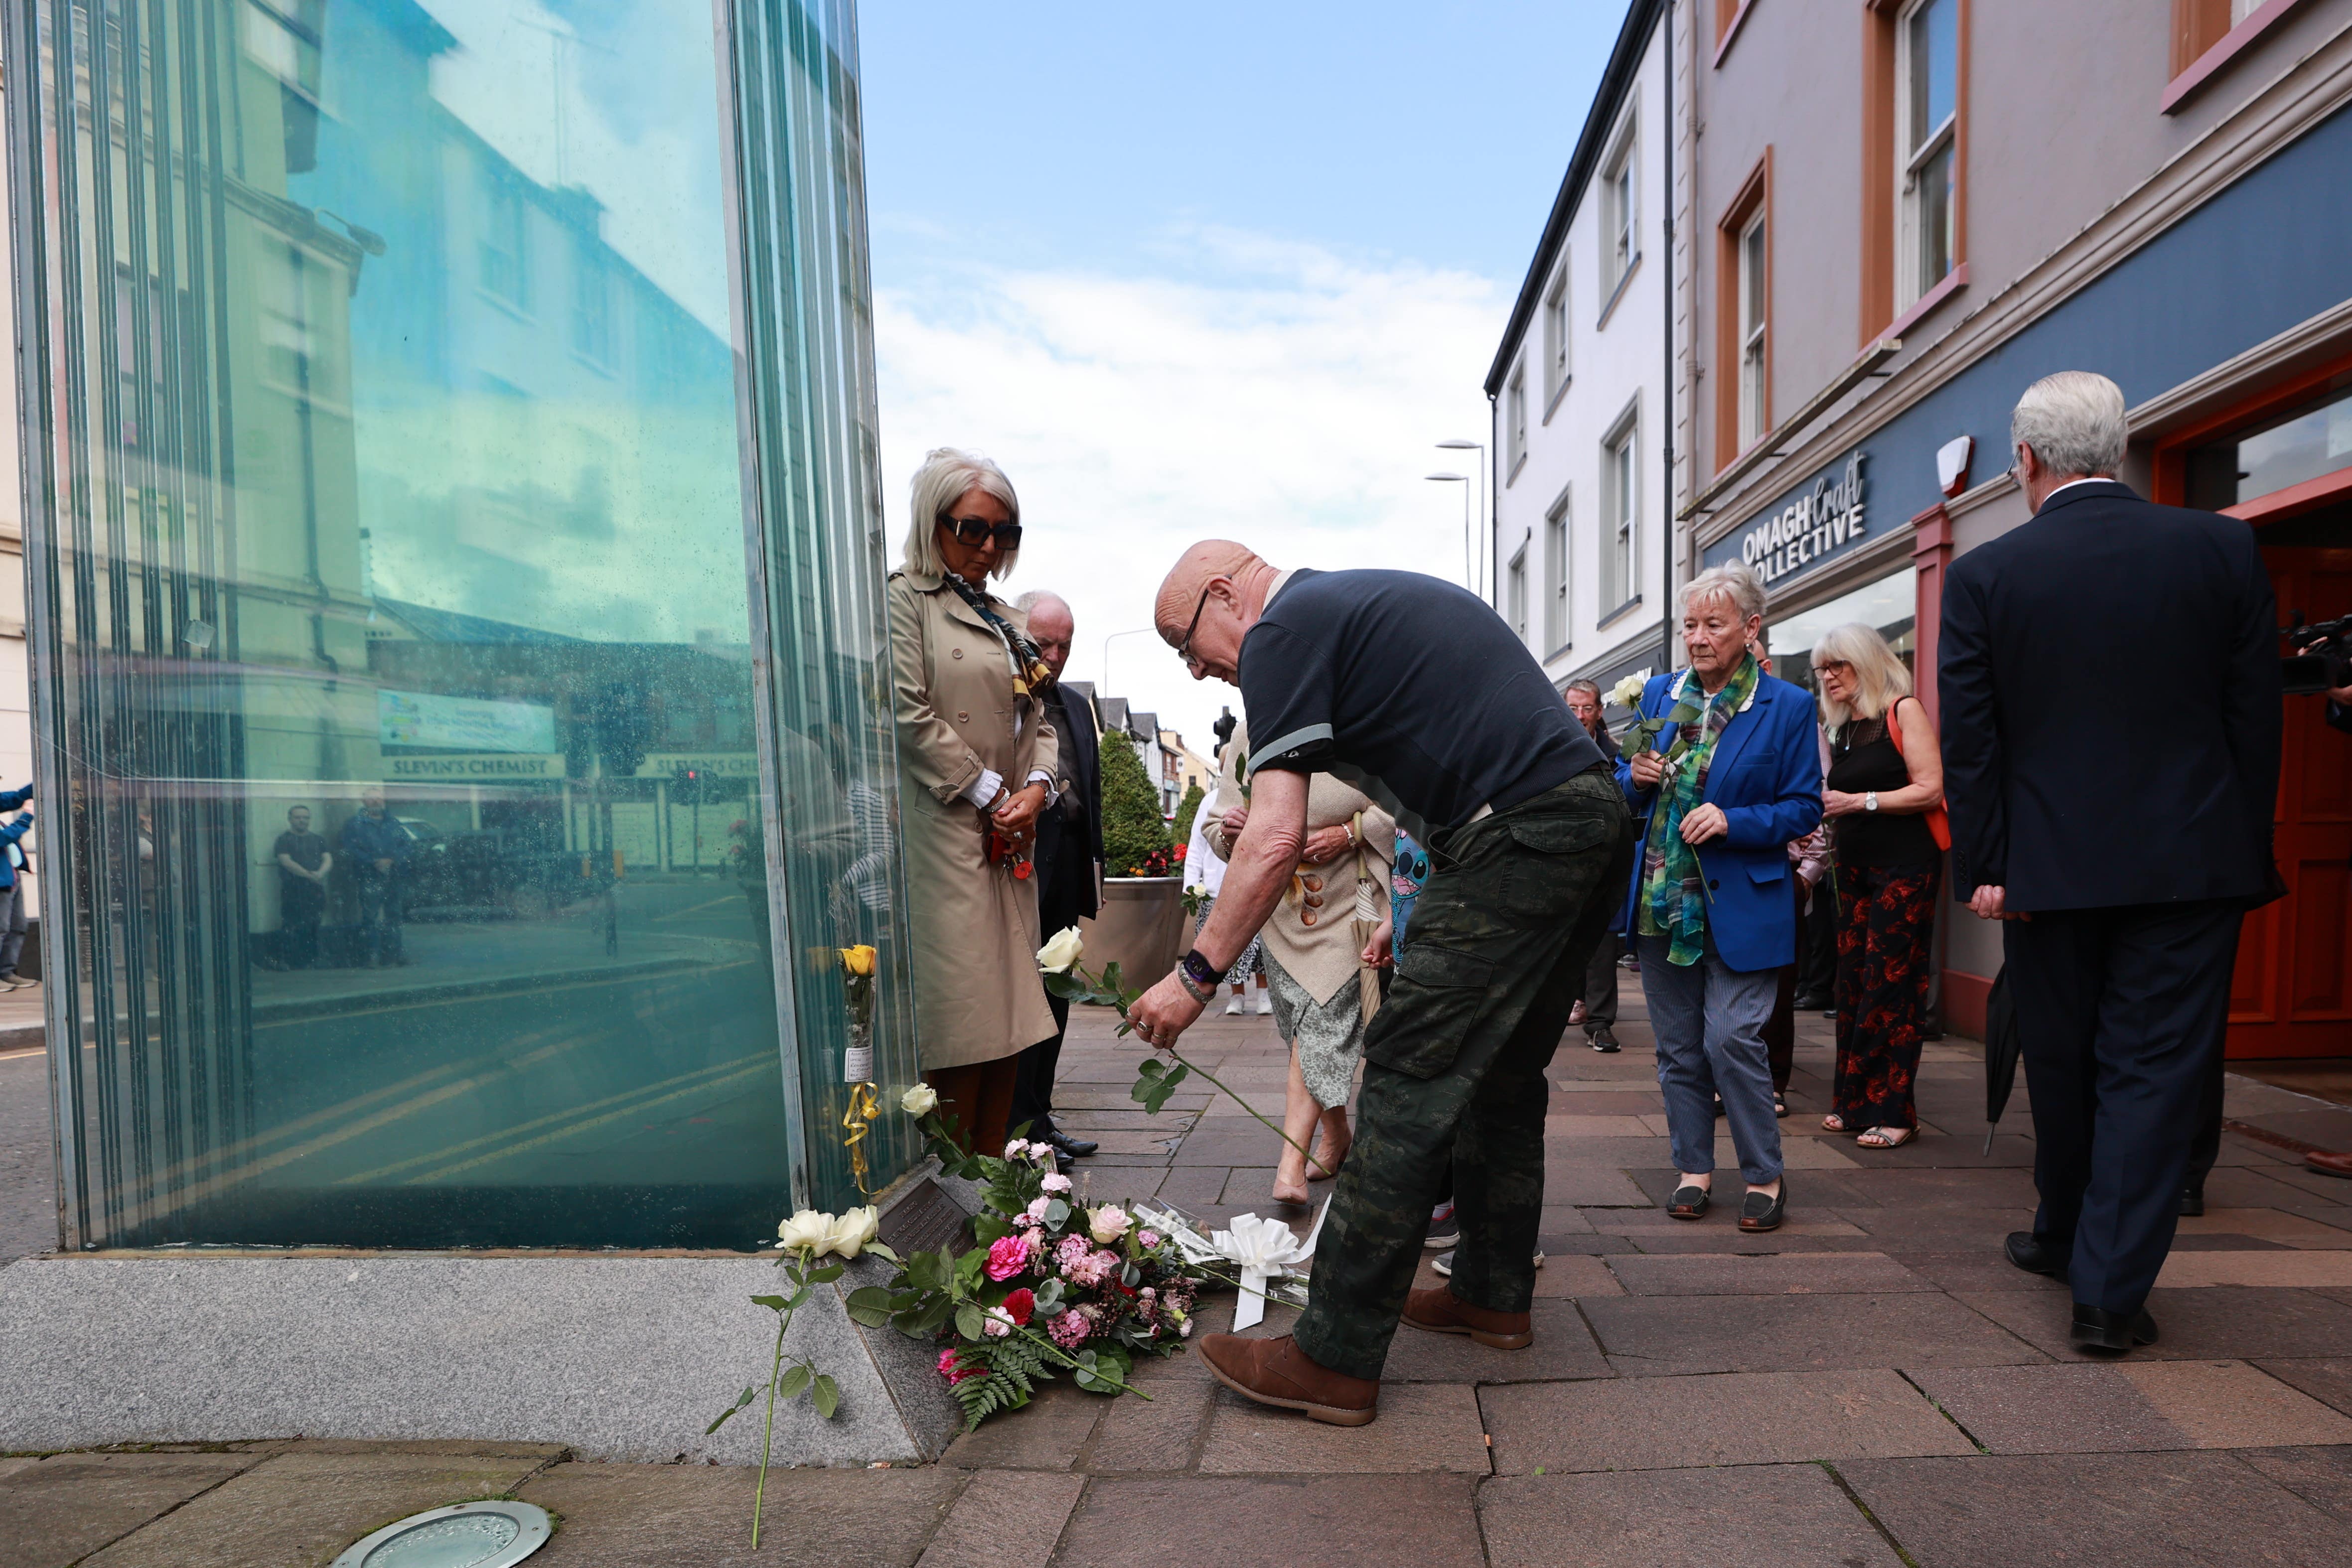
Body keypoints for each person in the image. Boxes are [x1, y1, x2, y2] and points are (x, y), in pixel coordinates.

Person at [1127, 541, 1626, 1427]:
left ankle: (1333, 1357)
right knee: (1502, 1073)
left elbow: (1273, 835)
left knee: (1406, 1076)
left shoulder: (1284, 628)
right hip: (1581, 820)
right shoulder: (1343, 611)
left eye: (1185, 643)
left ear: (1222, 594)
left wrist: (1195, 975)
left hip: (1517, 836)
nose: (1198, 671)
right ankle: (1490, 1293)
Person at [1940, 371, 2281, 1354]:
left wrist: (1986, 867)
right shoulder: (2219, 546)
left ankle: (2076, 1253)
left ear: (2026, 461)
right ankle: (2096, 1271)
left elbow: (1975, 742)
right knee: (2150, 1070)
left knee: (2060, 1054)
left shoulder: (1985, 575)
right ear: (2120, 446)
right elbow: (2249, 720)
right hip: (2189, 862)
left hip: (2046, 869)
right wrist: (2237, 844)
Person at [1618, 563, 1823, 1235]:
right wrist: (1636, 775)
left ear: (1751, 627)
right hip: (1661, 898)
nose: (1698, 637)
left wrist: (1736, 821)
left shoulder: (1787, 705)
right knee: (1679, 1047)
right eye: (1690, 625)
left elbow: (1803, 806)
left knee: (1732, 1036)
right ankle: (1694, 1169)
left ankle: (1764, 1172)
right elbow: (1624, 785)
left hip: (1744, 899)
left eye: (1713, 623)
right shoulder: (1656, 694)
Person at [888, 447, 1060, 1158]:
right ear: (933, 523)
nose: (989, 548)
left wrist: (1039, 788)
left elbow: (1041, 723)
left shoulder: (1007, 618)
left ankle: (988, 1200)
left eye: (1006, 533)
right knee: (963, 1025)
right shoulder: (905, 599)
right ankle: (950, 1201)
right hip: (948, 837)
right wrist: (990, 789)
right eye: (973, 529)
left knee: (1011, 1026)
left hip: (1008, 842)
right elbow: (905, 709)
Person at [1205, 720, 1394, 1205]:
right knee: (1300, 1032)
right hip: (1282, 910)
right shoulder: (1252, 732)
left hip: (1350, 904)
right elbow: (1217, 821)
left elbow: (1406, 809)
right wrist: (1232, 831)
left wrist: (1351, 832)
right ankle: (1337, 1138)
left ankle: (1289, 1164)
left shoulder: (1359, 711)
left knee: (1319, 1024)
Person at [1813, 624, 1946, 1149]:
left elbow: (1931, 788)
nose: (1827, 677)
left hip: (1904, 869)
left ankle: (1895, 1112)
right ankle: (1851, 1102)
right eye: (1822, 668)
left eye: (1836, 666)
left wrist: (1860, 801)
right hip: (1855, 871)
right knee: (1851, 985)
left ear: (1864, 663)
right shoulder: (1845, 728)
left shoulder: (1902, 710)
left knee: (1890, 985)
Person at [1006, 590, 1101, 1162]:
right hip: (1019, 868)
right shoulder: (1002, 701)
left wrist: (1096, 869)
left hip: (1065, 869)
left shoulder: (1071, 702)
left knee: (1057, 995)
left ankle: (1041, 1119)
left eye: (1066, 643)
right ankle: (1020, 1130)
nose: (1057, 654)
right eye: (1045, 643)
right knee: (1023, 1000)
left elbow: (1087, 787)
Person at [1563, 680, 1623, 1053]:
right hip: (1562, 860)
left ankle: (1601, 1023)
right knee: (1564, 940)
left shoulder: (1615, 755)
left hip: (1602, 858)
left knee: (1602, 941)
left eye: (1587, 708)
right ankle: (1573, 1000)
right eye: (1573, 708)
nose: (1580, 716)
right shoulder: (1552, 747)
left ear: (1599, 711)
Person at [339, 788, 412, 968]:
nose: (376, 802)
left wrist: (392, 860)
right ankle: (372, 956)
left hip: (394, 876)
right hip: (369, 876)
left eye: (379, 798)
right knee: (370, 917)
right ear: (364, 802)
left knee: (394, 916)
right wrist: (373, 862)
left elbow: (407, 845)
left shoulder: (393, 822)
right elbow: (350, 848)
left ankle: (394, 955)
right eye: (372, 799)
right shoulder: (355, 824)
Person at [273, 805, 333, 971]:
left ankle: (312, 960)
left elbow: (328, 859)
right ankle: (286, 961)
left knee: (314, 923)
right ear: (290, 819)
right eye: (298, 817)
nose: (302, 820)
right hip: (293, 888)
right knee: (290, 924)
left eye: (306, 817)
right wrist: (309, 875)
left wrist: (320, 874)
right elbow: (286, 861)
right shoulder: (284, 840)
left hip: (315, 889)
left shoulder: (319, 840)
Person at [0, 783, 34, 990]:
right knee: (1, 929)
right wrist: (25, 818)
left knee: (18, 926)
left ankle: (7, 972)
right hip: (2, 882)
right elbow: (4, 838)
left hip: (12, 878)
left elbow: (15, 797)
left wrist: (42, 779)